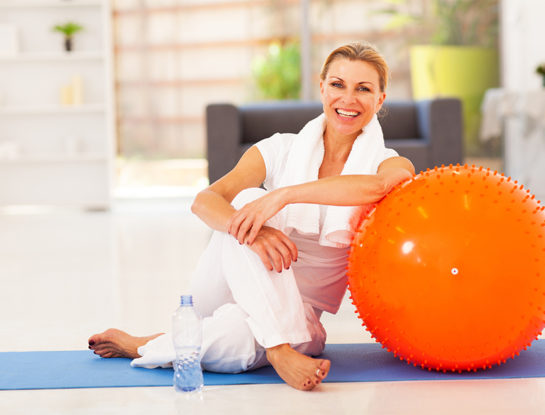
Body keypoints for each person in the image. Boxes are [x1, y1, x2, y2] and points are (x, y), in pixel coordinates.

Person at [88, 41, 415, 391]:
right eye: (338, 84)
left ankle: (145, 344)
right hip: (226, 284)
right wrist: (254, 231)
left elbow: (380, 186)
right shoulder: (279, 148)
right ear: (322, 88)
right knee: (247, 198)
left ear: (380, 99)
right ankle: (278, 349)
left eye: (363, 89)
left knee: (237, 339)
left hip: (300, 312)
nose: (348, 99)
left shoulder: (388, 162)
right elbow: (204, 201)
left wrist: (285, 194)